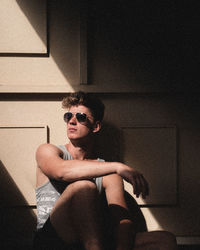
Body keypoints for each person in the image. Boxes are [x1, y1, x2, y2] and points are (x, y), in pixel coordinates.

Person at [34, 91, 177, 250]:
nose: (72, 122)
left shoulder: (107, 171)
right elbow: (61, 172)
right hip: (53, 240)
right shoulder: (48, 151)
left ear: (96, 126)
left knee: (165, 240)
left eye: (80, 117)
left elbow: (122, 221)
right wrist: (118, 166)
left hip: (94, 238)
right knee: (84, 187)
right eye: (68, 117)